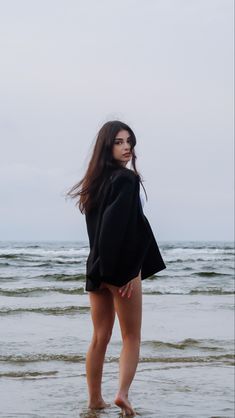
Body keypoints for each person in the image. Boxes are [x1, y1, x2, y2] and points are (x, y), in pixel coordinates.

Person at [67, 120, 166, 416]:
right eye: (120, 142)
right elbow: (122, 228)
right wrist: (128, 272)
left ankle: (95, 400)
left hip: (95, 267)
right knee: (131, 337)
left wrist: (99, 270)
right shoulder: (126, 179)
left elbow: (98, 232)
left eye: (129, 142)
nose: (127, 148)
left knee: (99, 337)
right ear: (107, 146)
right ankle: (122, 395)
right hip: (119, 270)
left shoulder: (93, 183)